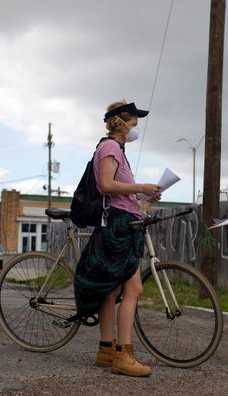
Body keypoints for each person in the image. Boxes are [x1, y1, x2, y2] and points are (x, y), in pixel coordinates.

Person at [73, 100, 161, 377]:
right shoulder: (110, 147)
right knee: (133, 289)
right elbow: (106, 185)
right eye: (133, 120)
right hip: (119, 226)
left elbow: (118, 192)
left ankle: (106, 350)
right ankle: (123, 354)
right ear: (120, 122)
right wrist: (140, 186)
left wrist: (143, 196)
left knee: (111, 289)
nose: (136, 126)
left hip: (122, 222)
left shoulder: (117, 150)